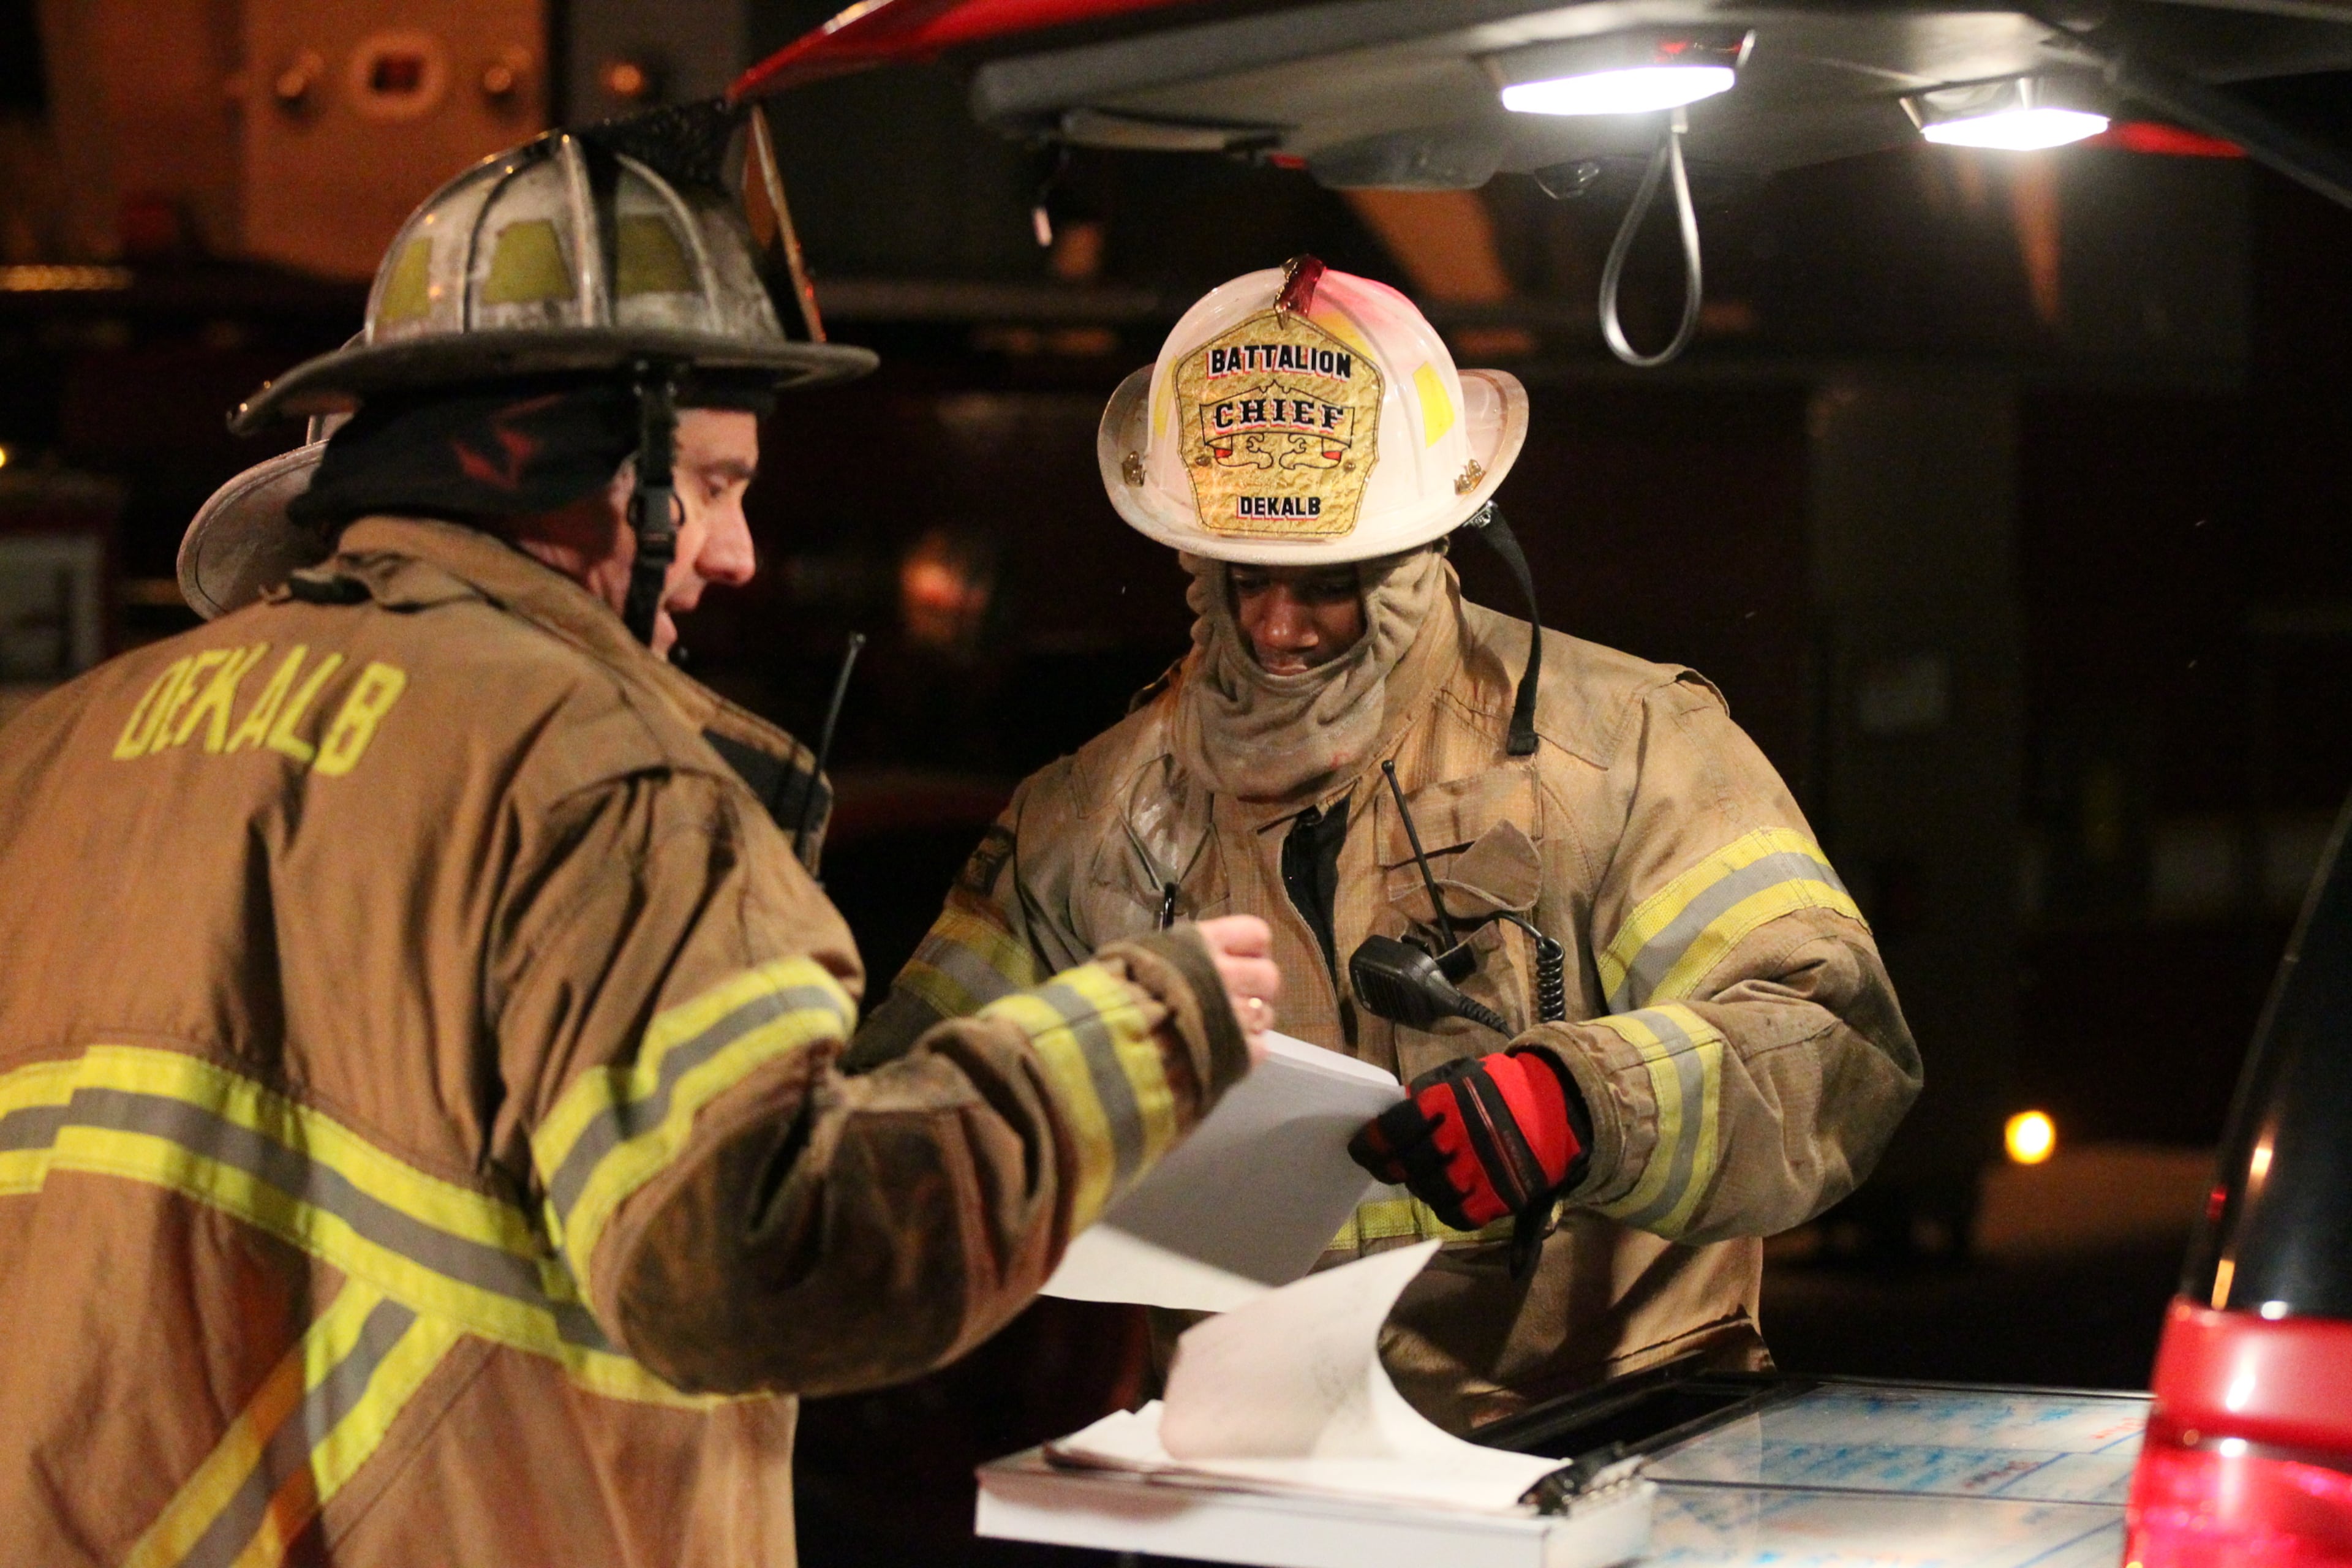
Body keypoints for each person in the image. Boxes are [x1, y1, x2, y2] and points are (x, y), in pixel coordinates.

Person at [0, 114, 1280, 1566]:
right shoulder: (599, 775)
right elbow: (764, 1262)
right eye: (717, 483)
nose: (736, 552)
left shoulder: (54, 748)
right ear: (544, 457)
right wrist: (1126, 1047)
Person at [855, 257, 1921, 1432]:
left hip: (1609, 1427)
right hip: (1261, 1460)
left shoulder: (1624, 748)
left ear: (1422, 549)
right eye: (1243, 577)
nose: (1277, 627)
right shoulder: (1085, 821)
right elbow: (903, 1117)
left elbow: (1835, 1045)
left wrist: (1582, 1103)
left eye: (1326, 582)